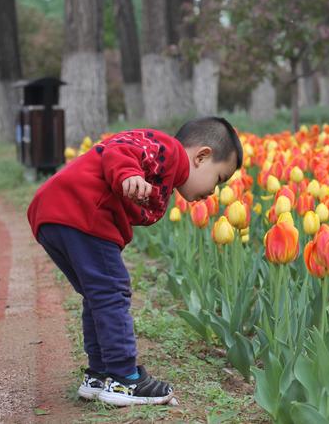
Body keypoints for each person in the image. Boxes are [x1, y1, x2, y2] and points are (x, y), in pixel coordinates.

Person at [27, 117, 242, 406]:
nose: (213, 192)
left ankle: (99, 375)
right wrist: (129, 173)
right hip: (84, 213)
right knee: (112, 292)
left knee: (97, 296)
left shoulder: (167, 174)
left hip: (54, 214)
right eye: (219, 179)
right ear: (202, 157)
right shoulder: (170, 151)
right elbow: (122, 148)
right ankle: (125, 379)